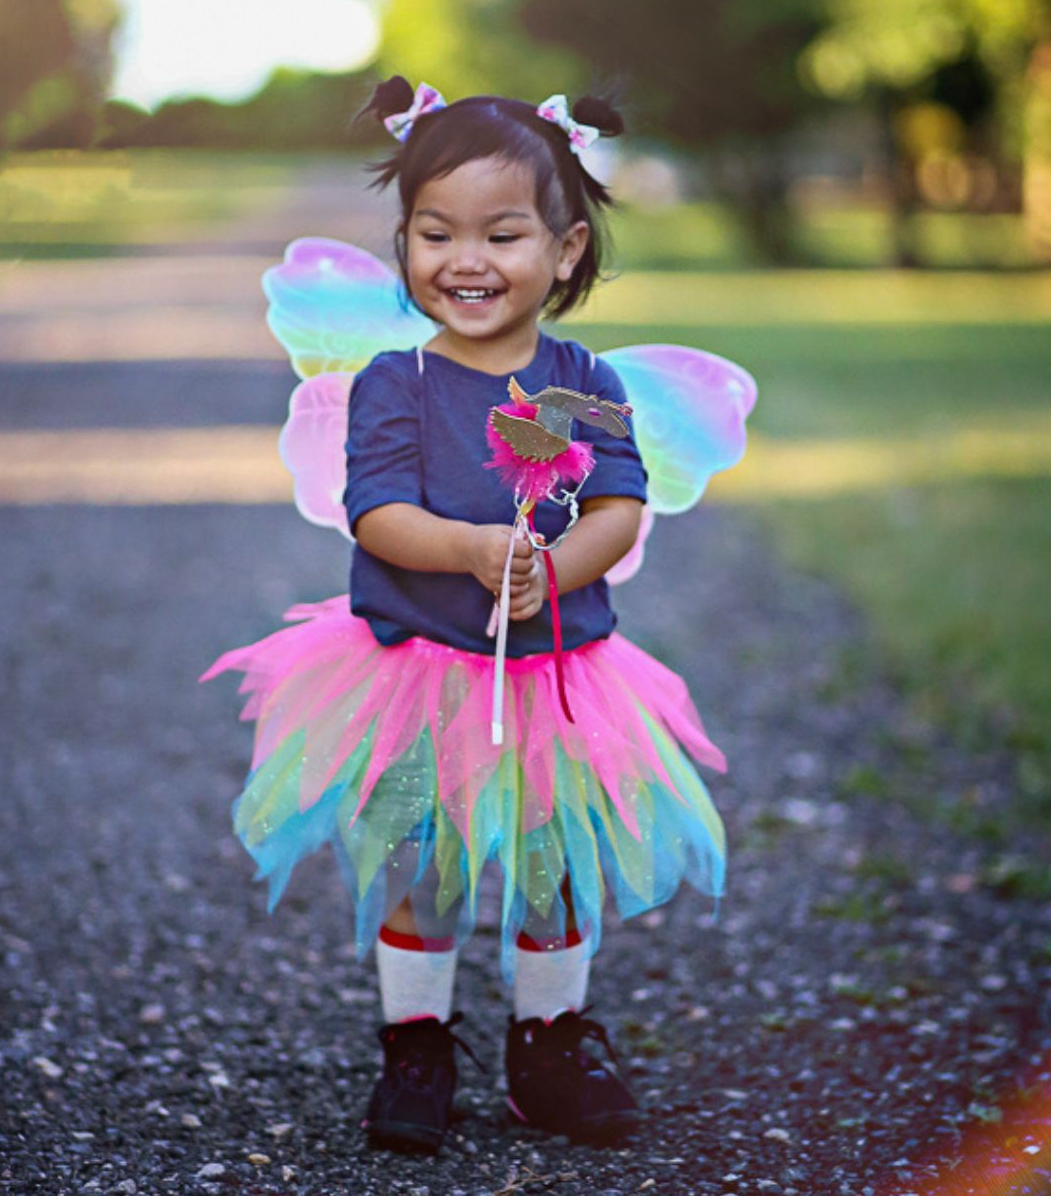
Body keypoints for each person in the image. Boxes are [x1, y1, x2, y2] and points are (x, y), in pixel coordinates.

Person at [201, 76, 734, 1152]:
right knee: (423, 861)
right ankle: (417, 1041)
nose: (468, 260)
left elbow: (620, 505)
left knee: (550, 864)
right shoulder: (396, 383)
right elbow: (377, 511)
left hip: (555, 678)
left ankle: (549, 1041)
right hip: (417, 673)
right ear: (404, 244)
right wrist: (473, 550)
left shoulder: (582, 381)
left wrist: (557, 564)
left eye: (502, 232)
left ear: (568, 249)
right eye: (436, 232)